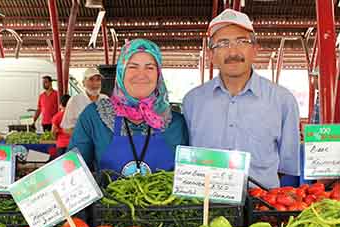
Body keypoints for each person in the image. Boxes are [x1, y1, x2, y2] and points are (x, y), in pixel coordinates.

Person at [182, 9, 300, 188]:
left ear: (255, 50)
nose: (233, 51)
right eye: (222, 43)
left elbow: (287, 166)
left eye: (241, 41)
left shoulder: (283, 101)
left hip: (262, 204)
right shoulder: (192, 102)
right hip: (207, 203)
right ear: (211, 55)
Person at [68, 39, 189, 176]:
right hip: (109, 197)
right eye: (132, 67)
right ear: (121, 72)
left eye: (150, 68)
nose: (141, 75)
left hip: (163, 198)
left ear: (158, 74)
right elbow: (72, 171)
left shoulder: (177, 123)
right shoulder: (94, 116)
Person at [61, 67, 109, 134]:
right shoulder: (75, 100)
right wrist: (84, 137)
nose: (95, 83)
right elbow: (66, 128)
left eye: (98, 80)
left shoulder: (105, 99)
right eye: (91, 79)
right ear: (83, 83)